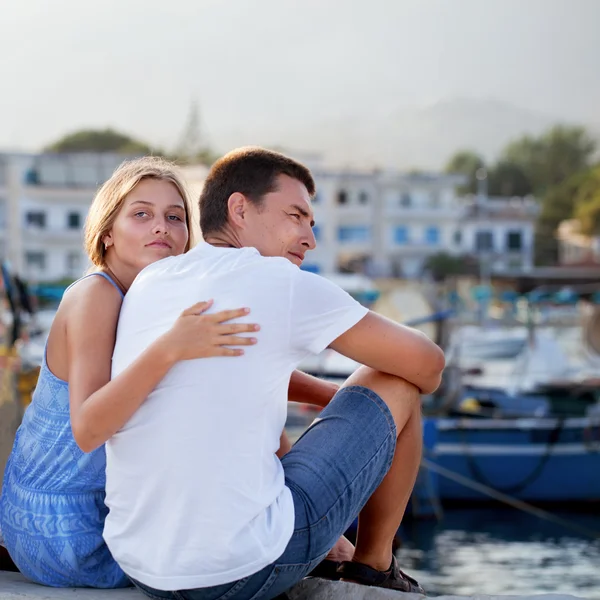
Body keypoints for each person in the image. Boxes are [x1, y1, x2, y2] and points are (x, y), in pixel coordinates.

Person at [103, 147, 445, 600]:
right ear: (240, 208)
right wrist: (349, 400)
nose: (309, 238)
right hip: (240, 574)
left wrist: (329, 397)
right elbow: (428, 364)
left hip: (144, 569)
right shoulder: (277, 281)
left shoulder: (153, 280)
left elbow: (227, 376)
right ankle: (374, 566)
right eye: (296, 216)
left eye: (311, 223)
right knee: (399, 379)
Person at [0, 157, 262, 588]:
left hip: (72, 519)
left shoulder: (147, 300)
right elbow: (87, 429)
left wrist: (318, 392)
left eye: (175, 218)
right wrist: (172, 347)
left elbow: (225, 353)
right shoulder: (97, 296)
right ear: (107, 234)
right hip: (65, 531)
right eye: (141, 214)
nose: (161, 227)